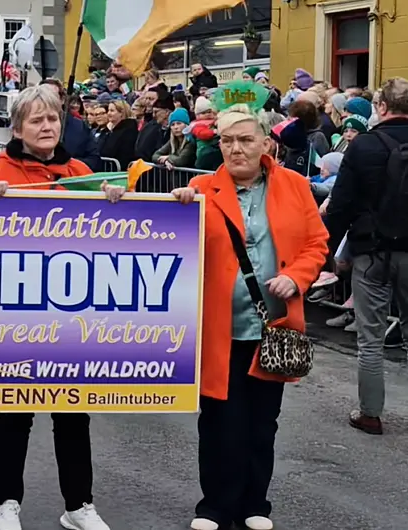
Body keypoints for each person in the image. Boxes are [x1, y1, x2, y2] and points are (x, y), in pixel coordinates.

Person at [0, 85, 124, 530]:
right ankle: (6, 503)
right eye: (36, 120)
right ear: (18, 128)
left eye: (52, 119)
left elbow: (117, 235)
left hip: (71, 316)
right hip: (18, 318)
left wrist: (117, 199)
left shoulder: (81, 171)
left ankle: (78, 505)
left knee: (72, 412)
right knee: (14, 411)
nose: (46, 127)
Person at [172, 103, 327, 530]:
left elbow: (317, 242)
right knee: (220, 421)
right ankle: (215, 505)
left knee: (263, 423)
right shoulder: (200, 189)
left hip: (271, 328)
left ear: (265, 143)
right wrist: (178, 207)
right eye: (226, 141)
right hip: (218, 329)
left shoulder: (295, 186)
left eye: (244, 140)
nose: (235, 149)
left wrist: (296, 278)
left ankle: (255, 502)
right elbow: (164, 237)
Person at [325, 77, 408, 436]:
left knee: (370, 339)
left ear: (382, 107)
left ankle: (370, 413)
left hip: (370, 251)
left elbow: (340, 205)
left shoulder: (363, 147)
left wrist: (326, 253)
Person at [100, 99, 138, 170]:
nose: (108, 113)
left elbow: (109, 150)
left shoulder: (128, 130)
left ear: (121, 113)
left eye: (112, 111)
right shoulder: (110, 130)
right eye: (108, 110)